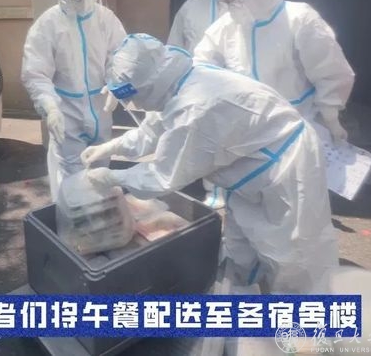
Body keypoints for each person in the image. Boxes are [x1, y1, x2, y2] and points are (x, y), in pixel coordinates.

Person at [81, 33, 339, 294]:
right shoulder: (176, 84)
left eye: (133, 96)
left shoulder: (195, 108)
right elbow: (153, 129)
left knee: (294, 252)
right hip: (251, 163)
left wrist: (114, 178)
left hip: (287, 166)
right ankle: (242, 294)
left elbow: (163, 176)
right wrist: (113, 146)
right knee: (243, 240)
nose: (133, 104)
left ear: (149, 85)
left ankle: (304, 313)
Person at [194, 0, 355, 145]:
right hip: (245, 131)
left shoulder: (300, 20)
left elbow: (331, 73)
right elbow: (201, 65)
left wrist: (330, 118)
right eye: (224, 0)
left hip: (297, 129)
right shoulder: (227, 25)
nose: (229, 5)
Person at [21, 0, 127, 201]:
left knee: (101, 173)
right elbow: (35, 72)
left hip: (101, 109)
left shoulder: (107, 20)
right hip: (66, 113)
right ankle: (74, 222)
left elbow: (121, 57)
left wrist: (116, 85)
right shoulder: (49, 24)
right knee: (72, 179)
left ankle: (103, 218)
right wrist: (50, 107)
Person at [167, 0, 228, 209]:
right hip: (196, 82)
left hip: (229, 84)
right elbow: (174, 46)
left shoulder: (237, 4)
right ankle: (198, 183)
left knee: (226, 140)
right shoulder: (189, 8)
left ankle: (221, 189)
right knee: (197, 136)